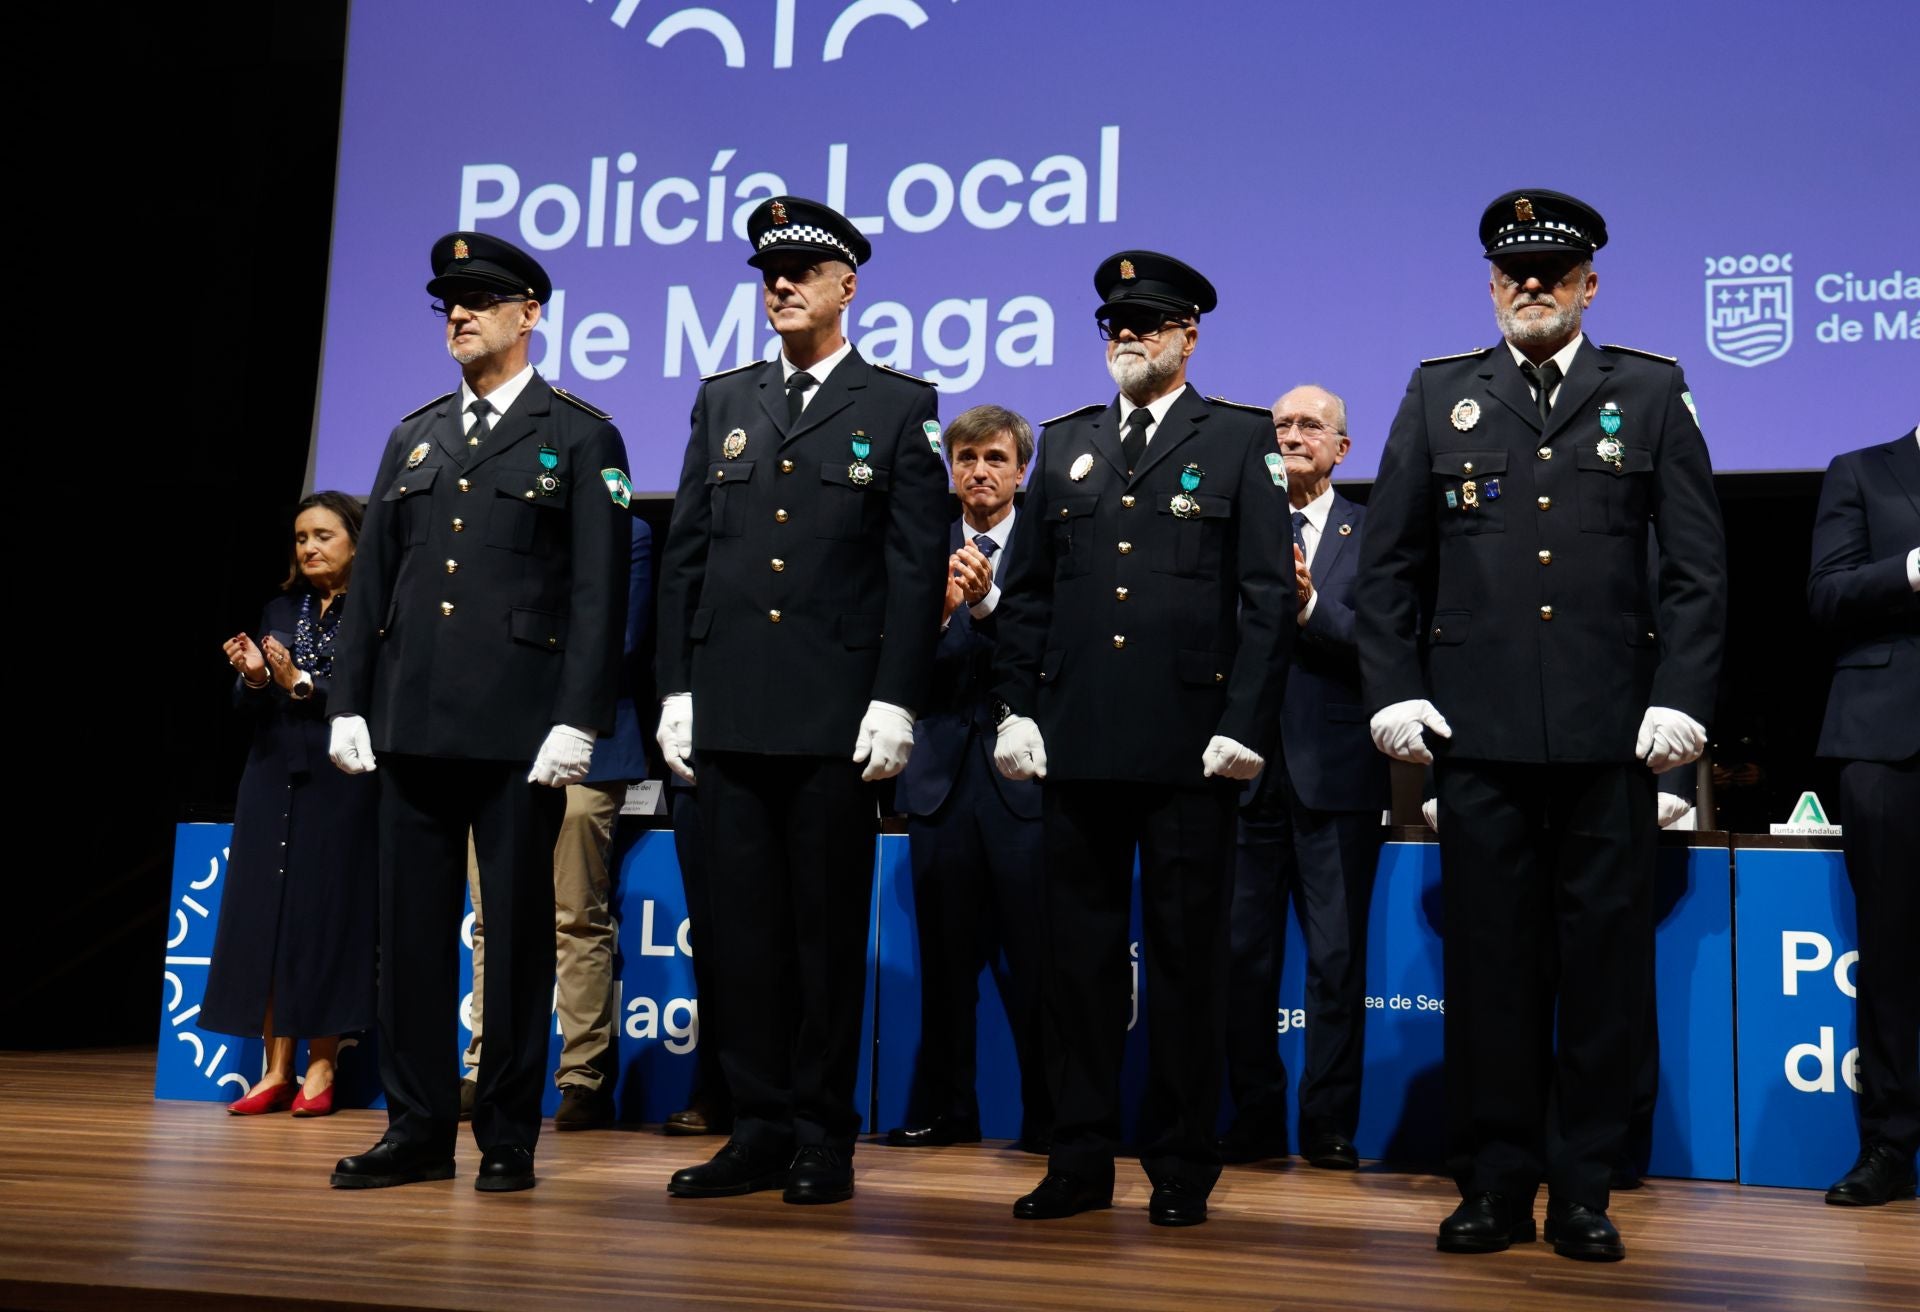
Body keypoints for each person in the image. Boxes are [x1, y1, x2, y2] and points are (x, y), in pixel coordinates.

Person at [1356, 190, 1726, 1262]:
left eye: (1554, 271)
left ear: (1588, 284)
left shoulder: (1648, 391)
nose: (1533, 286)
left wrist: (1683, 698)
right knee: (1491, 971)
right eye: (1515, 271)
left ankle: (1583, 1189)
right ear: (1490, 285)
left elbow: (1699, 571)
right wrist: (1392, 687)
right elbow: (1387, 570)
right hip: (1479, 743)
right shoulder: (1440, 395)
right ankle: (1494, 1180)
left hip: (1612, 736)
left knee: (1602, 973)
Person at [988, 251, 1295, 1227]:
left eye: (1149, 321)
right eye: (1115, 321)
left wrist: (1244, 722)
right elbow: (1027, 592)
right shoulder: (1069, 443)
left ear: (1188, 335)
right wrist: (1016, 708)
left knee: (1185, 967)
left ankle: (1179, 1165)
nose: (1128, 334)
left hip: (1189, 749)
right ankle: (1078, 1159)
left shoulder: (1240, 439)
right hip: (1076, 746)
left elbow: (1266, 596)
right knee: (1073, 968)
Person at [655, 196, 948, 1206]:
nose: (780, 284)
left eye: (803, 270)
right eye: (769, 272)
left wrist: (894, 698)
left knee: (824, 935)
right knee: (739, 935)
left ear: (845, 285)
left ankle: (825, 1134)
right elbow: (686, 556)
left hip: (834, 717)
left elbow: (914, 572)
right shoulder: (724, 399)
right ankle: (759, 1125)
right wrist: (675, 691)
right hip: (730, 711)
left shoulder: (899, 404)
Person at [326, 231, 632, 1194]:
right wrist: (349, 704)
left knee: (519, 938)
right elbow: (375, 580)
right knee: (410, 940)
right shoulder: (413, 434)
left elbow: (597, 595)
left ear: (529, 314)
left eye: (479, 298)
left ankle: (506, 1135)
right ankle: (415, 1130)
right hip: (411, 725)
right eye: (448, 301)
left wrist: (577, 717)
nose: (457, 314)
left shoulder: (581, 435)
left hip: (517, 734)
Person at [1219, 385, 1387, 1171]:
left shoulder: (1376, 531)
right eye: (1280, 425)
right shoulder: (1235, 525)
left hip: (1338, 774)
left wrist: (1315, 608)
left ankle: (1327, 1127)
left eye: (1308, 426)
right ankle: (1253, 1121)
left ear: (1342, 448)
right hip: (1244, 772)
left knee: (1335, 961)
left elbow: (1394, 644)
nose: (1291, 435)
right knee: (1241, 960)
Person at [887, 404, 1051, 1153]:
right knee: (945, 967)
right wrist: (937, 613)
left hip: (1025, 788)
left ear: (1022, 470)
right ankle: (945, 1108)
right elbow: (887, 663)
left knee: (1038, 964)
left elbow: (1053, 649)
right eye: (965, 459)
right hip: (939, 782)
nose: (977, 471)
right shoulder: (920, 548)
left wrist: (988, 606)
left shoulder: (1046, 547)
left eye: (993, 458)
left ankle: (1054, 1117)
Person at [460, 515, 654, 1130]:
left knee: (576, 914)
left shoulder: (630, 532)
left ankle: (583, 1079)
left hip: (589, 743)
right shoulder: (508, 525)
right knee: (493, 916)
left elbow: (617, 640)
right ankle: (482, 1067)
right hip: (498, 743)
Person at [203, 491, 376, 1118]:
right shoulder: (281, 607)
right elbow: (248, 706)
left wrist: (299, 683)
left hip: (341, 777)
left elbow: (376, 697)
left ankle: (322, 1063)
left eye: (324, 536)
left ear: (357, 540)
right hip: (271, 771)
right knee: (268, 915)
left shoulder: (379, 610)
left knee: (323, 916)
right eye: (301, 537)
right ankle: (274, 1069)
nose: (309, 548)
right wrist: (252, 676)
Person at [1808, 426, 1920, 1207]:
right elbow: (1828, 593)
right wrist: (1912, 569)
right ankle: (1888, 1144)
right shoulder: (1862, 471)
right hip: (1888, 740)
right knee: (1890, 954)